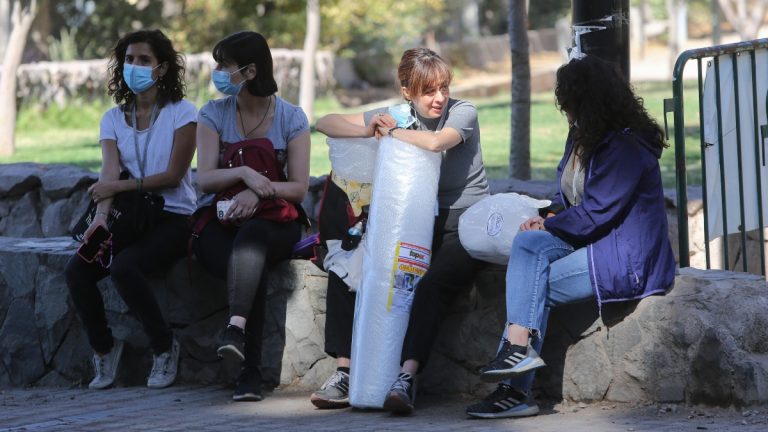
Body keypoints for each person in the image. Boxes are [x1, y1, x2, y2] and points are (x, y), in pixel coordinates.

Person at [465, 55, 676, 419]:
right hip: (590, 240)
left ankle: (513, 389)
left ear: (589, 103)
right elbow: (569, 194)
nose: (566, 113)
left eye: (569, 105)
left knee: (531, 286)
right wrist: (549, 215)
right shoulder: (582, 135)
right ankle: (518, 354)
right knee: (527, 244)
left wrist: (550, 225)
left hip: (623, 255)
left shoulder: (626, 148)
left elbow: (597, 213)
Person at [310, 47, 490, 413]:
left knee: (429, 283)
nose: (439, 98)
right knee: (349, 269)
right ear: (407, 91)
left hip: (462, 221)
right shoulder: (399, 115)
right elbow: (325, 122)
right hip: (412, 220)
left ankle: (406, 378)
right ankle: (344, 371)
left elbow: (436, 143)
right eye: (428, 91)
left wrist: (391, 134)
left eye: (443, 88)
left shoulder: (463, 111)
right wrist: (365, 129)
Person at [65, 29, 197, 390]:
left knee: (125, 267)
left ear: (162, 68)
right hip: (129, 216)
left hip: (173, 216)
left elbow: (173, 176)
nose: (134, 66)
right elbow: (109, 172)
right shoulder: (112, 119)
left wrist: (117, 188)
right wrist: (100, 220)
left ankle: (164, 346)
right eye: (128, 59)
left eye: (144, 60)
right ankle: (104, 349)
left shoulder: (183, 113)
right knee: (77, 270)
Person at [193, 31, 310, 402]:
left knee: (252, 239)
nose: (218, 73)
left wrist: (258, 193)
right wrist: (244, 174)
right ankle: (249, 370)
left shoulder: (291, 118)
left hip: (275, 221)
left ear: (250, 71)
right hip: (219, 220)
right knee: (247, 259)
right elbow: (205, 179)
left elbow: (298, 188)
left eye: (225, 66)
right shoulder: (212, 114)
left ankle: (239, 341)